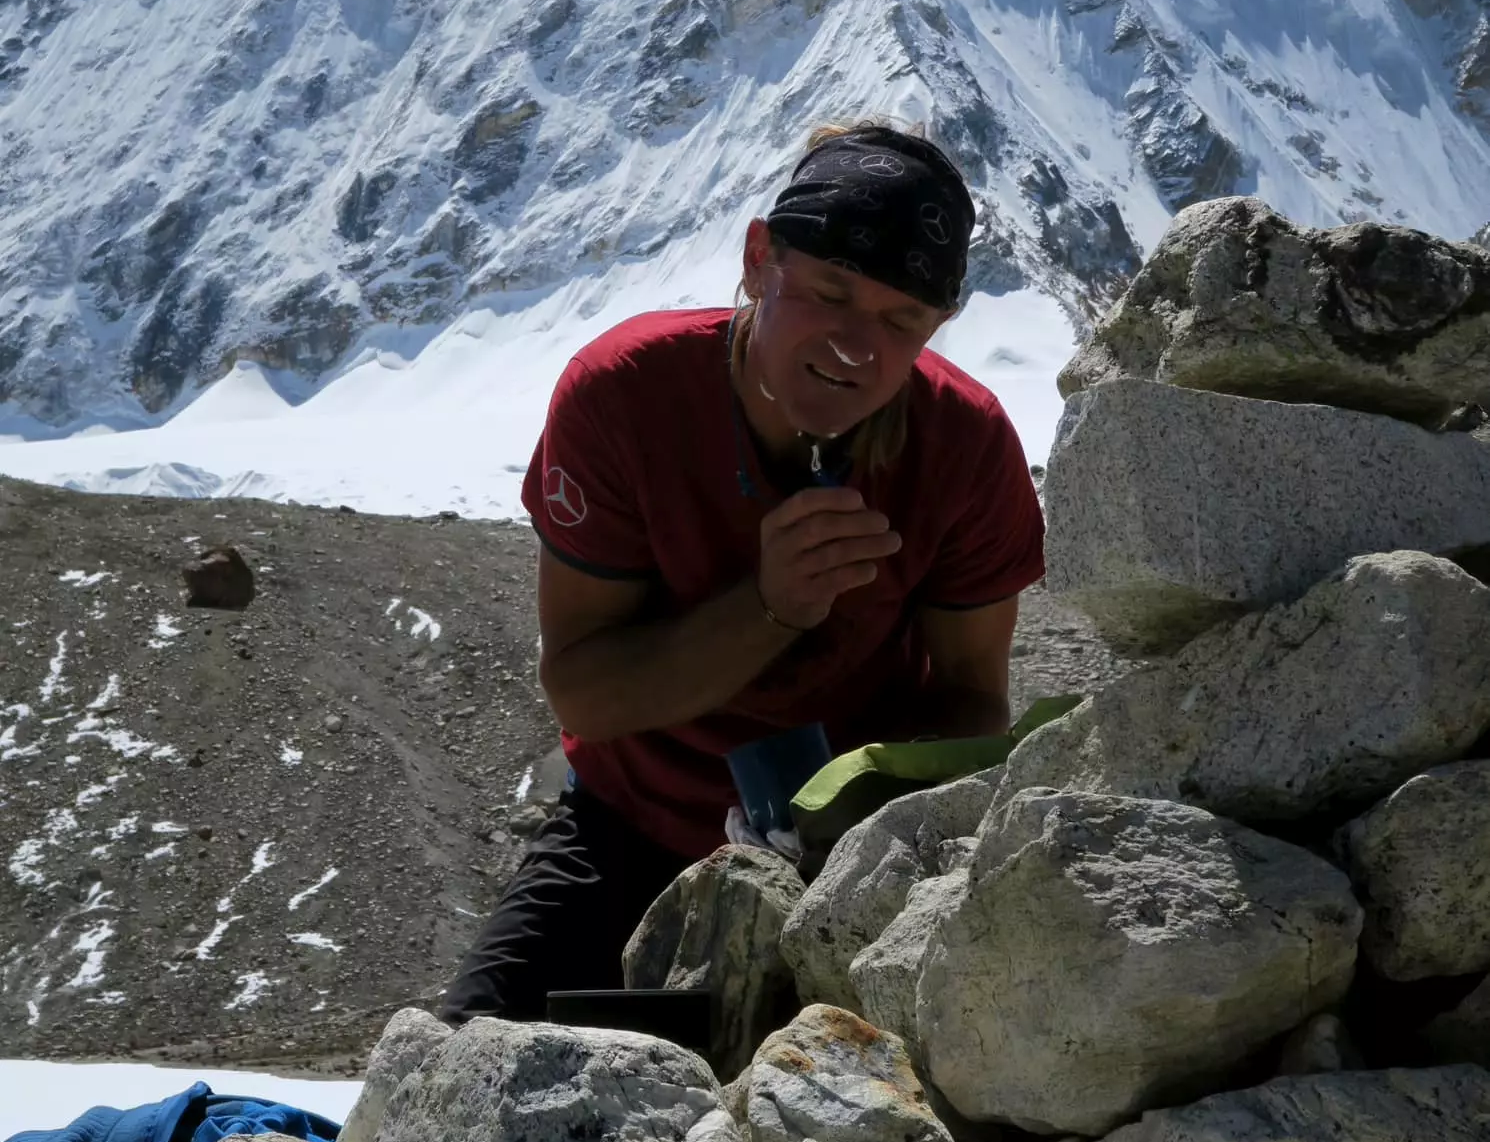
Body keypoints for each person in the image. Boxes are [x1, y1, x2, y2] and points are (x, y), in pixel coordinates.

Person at [438, 120, 1045, 1023]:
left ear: (939, 326)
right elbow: (584, 693)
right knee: (452, 1076)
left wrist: (851, 830)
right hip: (627, 831)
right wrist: (769, 607)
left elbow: (968, 704)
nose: (855, 347)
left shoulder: (965, 446)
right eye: (830, 293)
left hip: (850, 869)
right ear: (760, 259)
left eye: (899, 322)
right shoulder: (626, 396)